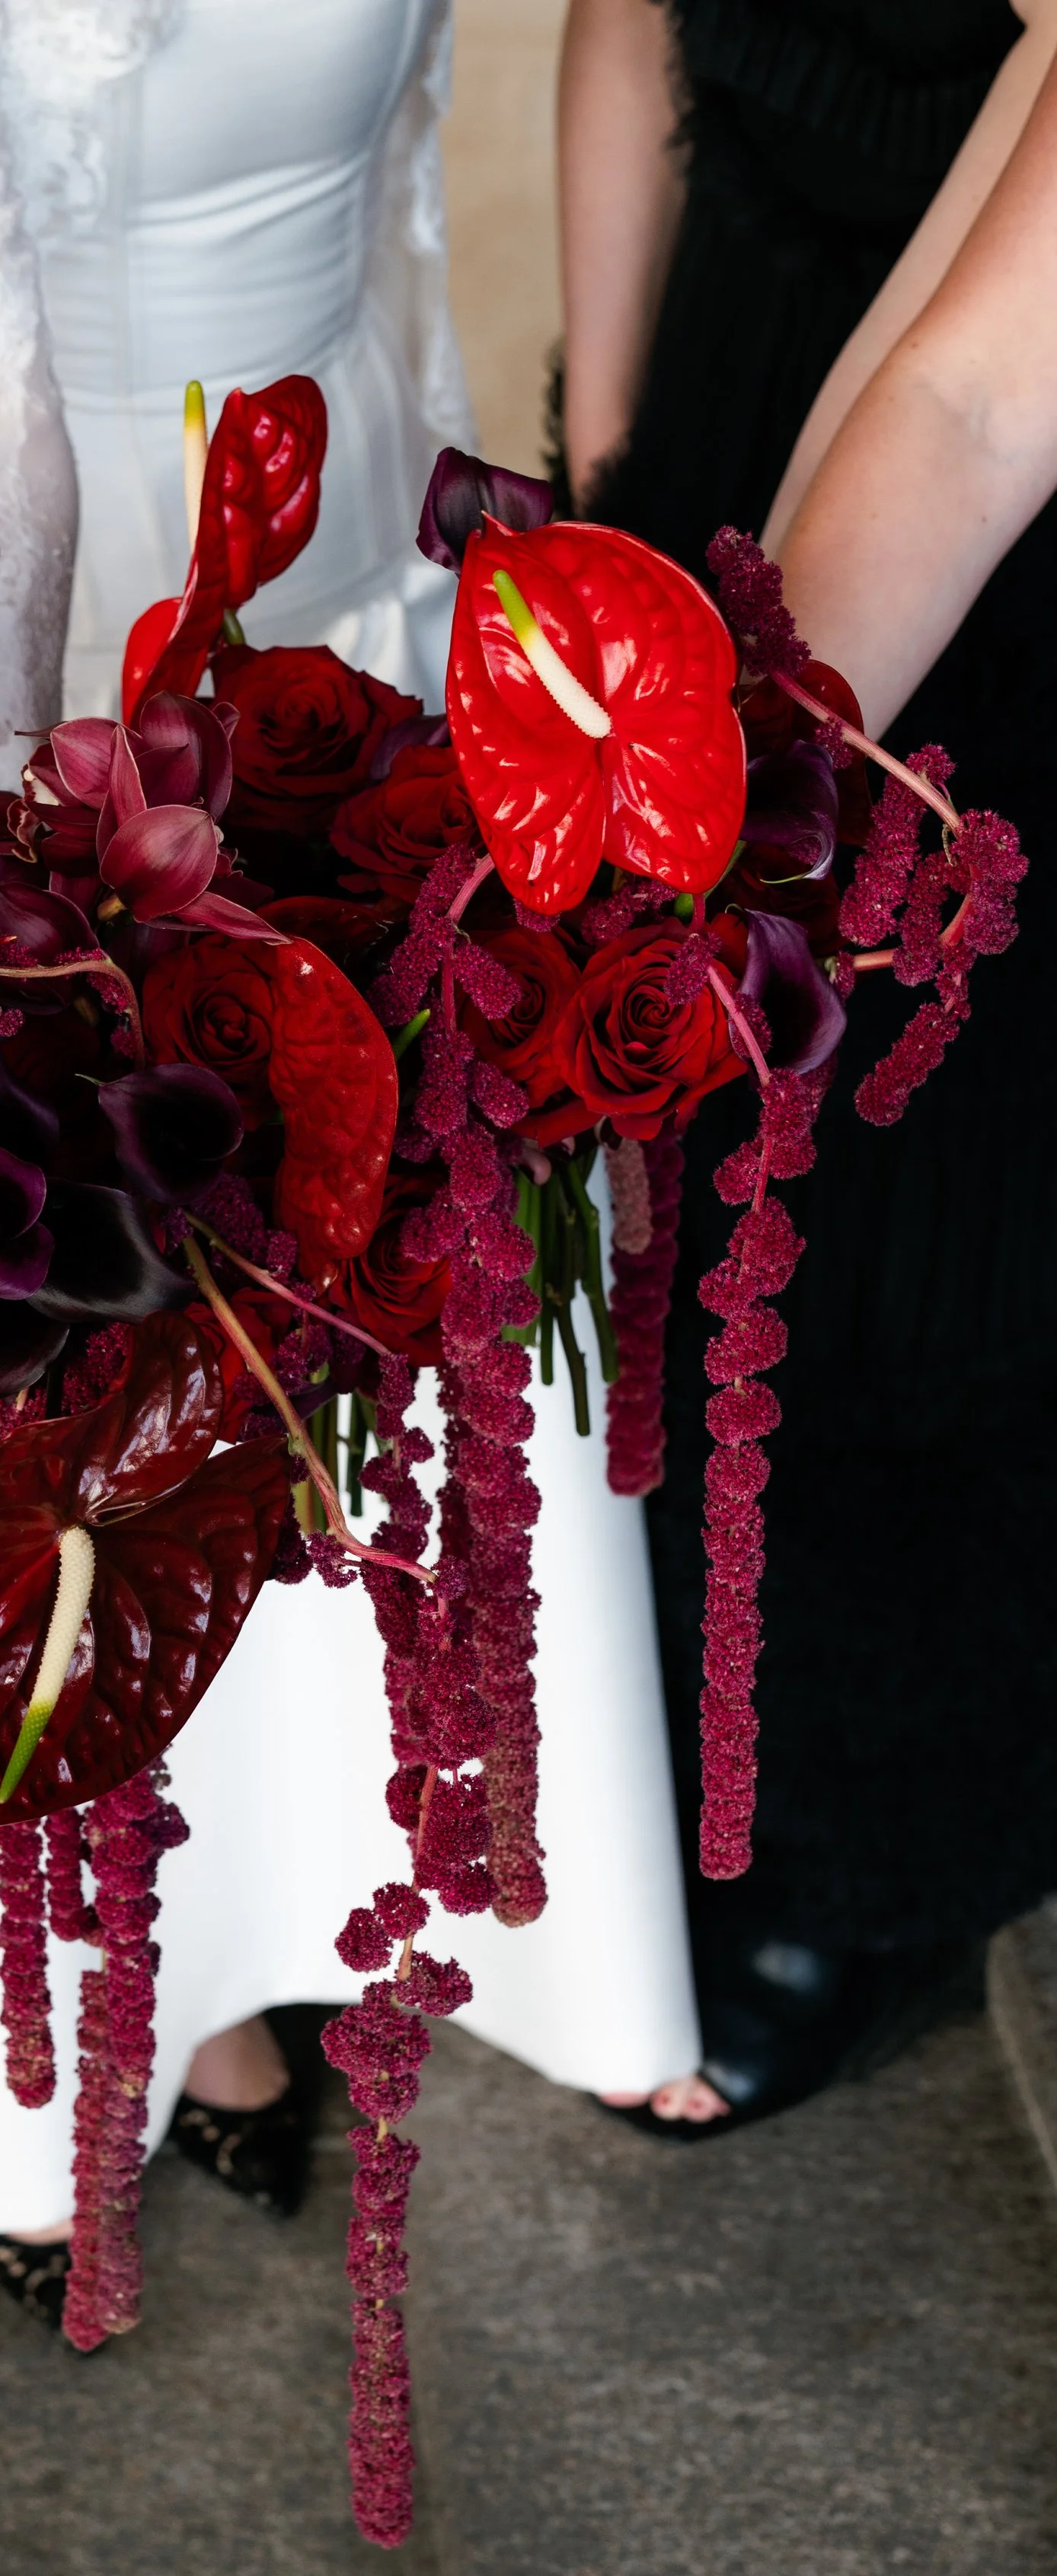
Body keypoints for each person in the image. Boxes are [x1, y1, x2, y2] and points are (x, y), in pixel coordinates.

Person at [0, 0, 705, 2323]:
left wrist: (477, 603)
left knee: (384, 1279)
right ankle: (65, 2016)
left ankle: (397, 1911)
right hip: (53, 604)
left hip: (353, 541)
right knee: (69, 1332)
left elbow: (395, 197)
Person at [559, 0, 1057, 2129]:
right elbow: (937, 370)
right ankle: (713, 1757)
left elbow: (964, 384)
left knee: (925, 1184)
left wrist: (707, 800)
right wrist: (688, 692)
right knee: (731, 1165)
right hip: (799, 397)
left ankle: (870, 1833)